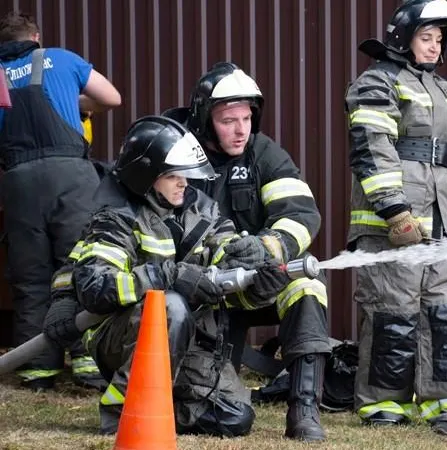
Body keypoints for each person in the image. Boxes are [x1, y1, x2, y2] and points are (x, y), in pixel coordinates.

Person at [62, 115, 289, 436]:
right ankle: (123, 409)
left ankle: (158, 404)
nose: (184, 182)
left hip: (191, 339)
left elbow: (226, 270)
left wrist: (260, 280)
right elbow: (96, 289)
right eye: (173, 175)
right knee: (169, 306)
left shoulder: (202, 212)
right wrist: (170, 277)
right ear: (146, 175)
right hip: (123, 338)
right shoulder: (117, 218)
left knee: (234, 417)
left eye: (185, 174)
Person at [344, 0, 447, 436]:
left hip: (443, 225)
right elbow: (373, 148)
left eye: (439, 39)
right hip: (394, 225)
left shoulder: (446, 92)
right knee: (393, 310)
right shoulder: (376, 82)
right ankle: (384, 404)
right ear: (402, 37)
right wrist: (394, 210)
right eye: (426, 38)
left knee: (446, 311)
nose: (434, 47)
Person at [163, 62, 330, 442]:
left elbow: (300, 213)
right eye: (227, 120)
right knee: (221, 404)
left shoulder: (264, 154)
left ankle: (304, 410)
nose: (241, 130)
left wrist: (268, 249)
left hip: (254, 282)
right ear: (205, 120)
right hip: (201, 291)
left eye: (246, 118)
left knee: (307, 288)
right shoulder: (175, 154)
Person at [0, 11, 121, 391]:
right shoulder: (61, 58)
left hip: (18, 182)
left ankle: (37, 368)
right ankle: (88, 364)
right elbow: (111, 98)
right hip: (71, 177)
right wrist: (79, 101)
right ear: (36, 36)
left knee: (31, 275)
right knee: (81, 266)